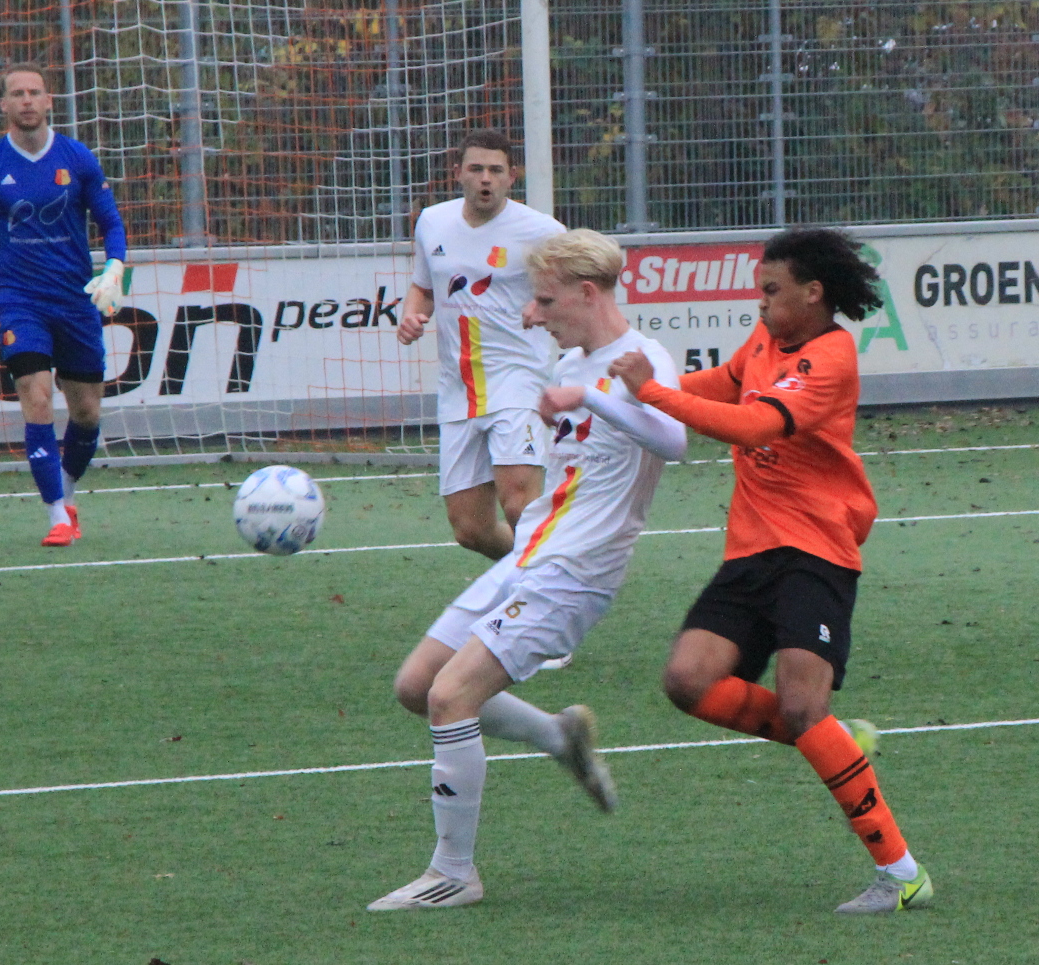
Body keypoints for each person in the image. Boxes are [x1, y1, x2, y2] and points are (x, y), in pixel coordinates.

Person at [608, 227, 932, 915]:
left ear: (813, 294)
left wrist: (653, 396)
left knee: (801, 703)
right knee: (688, 680)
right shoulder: (766, 341)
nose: (760, 303)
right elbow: (721, 386)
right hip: (752, 550)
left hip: (815, 551)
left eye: (771, 291)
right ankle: (828, 737)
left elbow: (753, 425)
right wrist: (627, 392)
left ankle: (901, 871)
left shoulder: (832, 356)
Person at [368, 229, 687, 911]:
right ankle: (556, 735)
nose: (533, 314)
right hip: (531, 553)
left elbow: (677, 439)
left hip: (576, 570)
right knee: (417, 684)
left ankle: (453, 870)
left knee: (453, 697)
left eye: (545, 301)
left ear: (587, 293)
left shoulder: (641, 359)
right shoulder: (570, 363)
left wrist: (595, 398)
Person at [0, 63, 127, 546]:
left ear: (49, 101)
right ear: (3, 106)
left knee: (87, 413)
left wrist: (114, 269)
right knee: (37, 398)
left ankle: (66, 490)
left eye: (35, 92)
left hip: (75, 300)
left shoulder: (78, 157)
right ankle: (56, 516)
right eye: (17, 94)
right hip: (20, 300)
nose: (27, 100)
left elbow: (112, 223)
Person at [397, 129, 566, 560]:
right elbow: (423, 288)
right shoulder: (432, 222)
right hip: (458, 390)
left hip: (517, 381)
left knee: (518, 503)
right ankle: (545, 573)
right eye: (476, 169)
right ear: (458, 173)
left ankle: (540, 598)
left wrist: (544, 305)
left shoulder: (543, 232)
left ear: (513, 176)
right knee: (470, 529)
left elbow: (579, 290)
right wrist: (411, 314)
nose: (485, 179)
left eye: (496, 170)